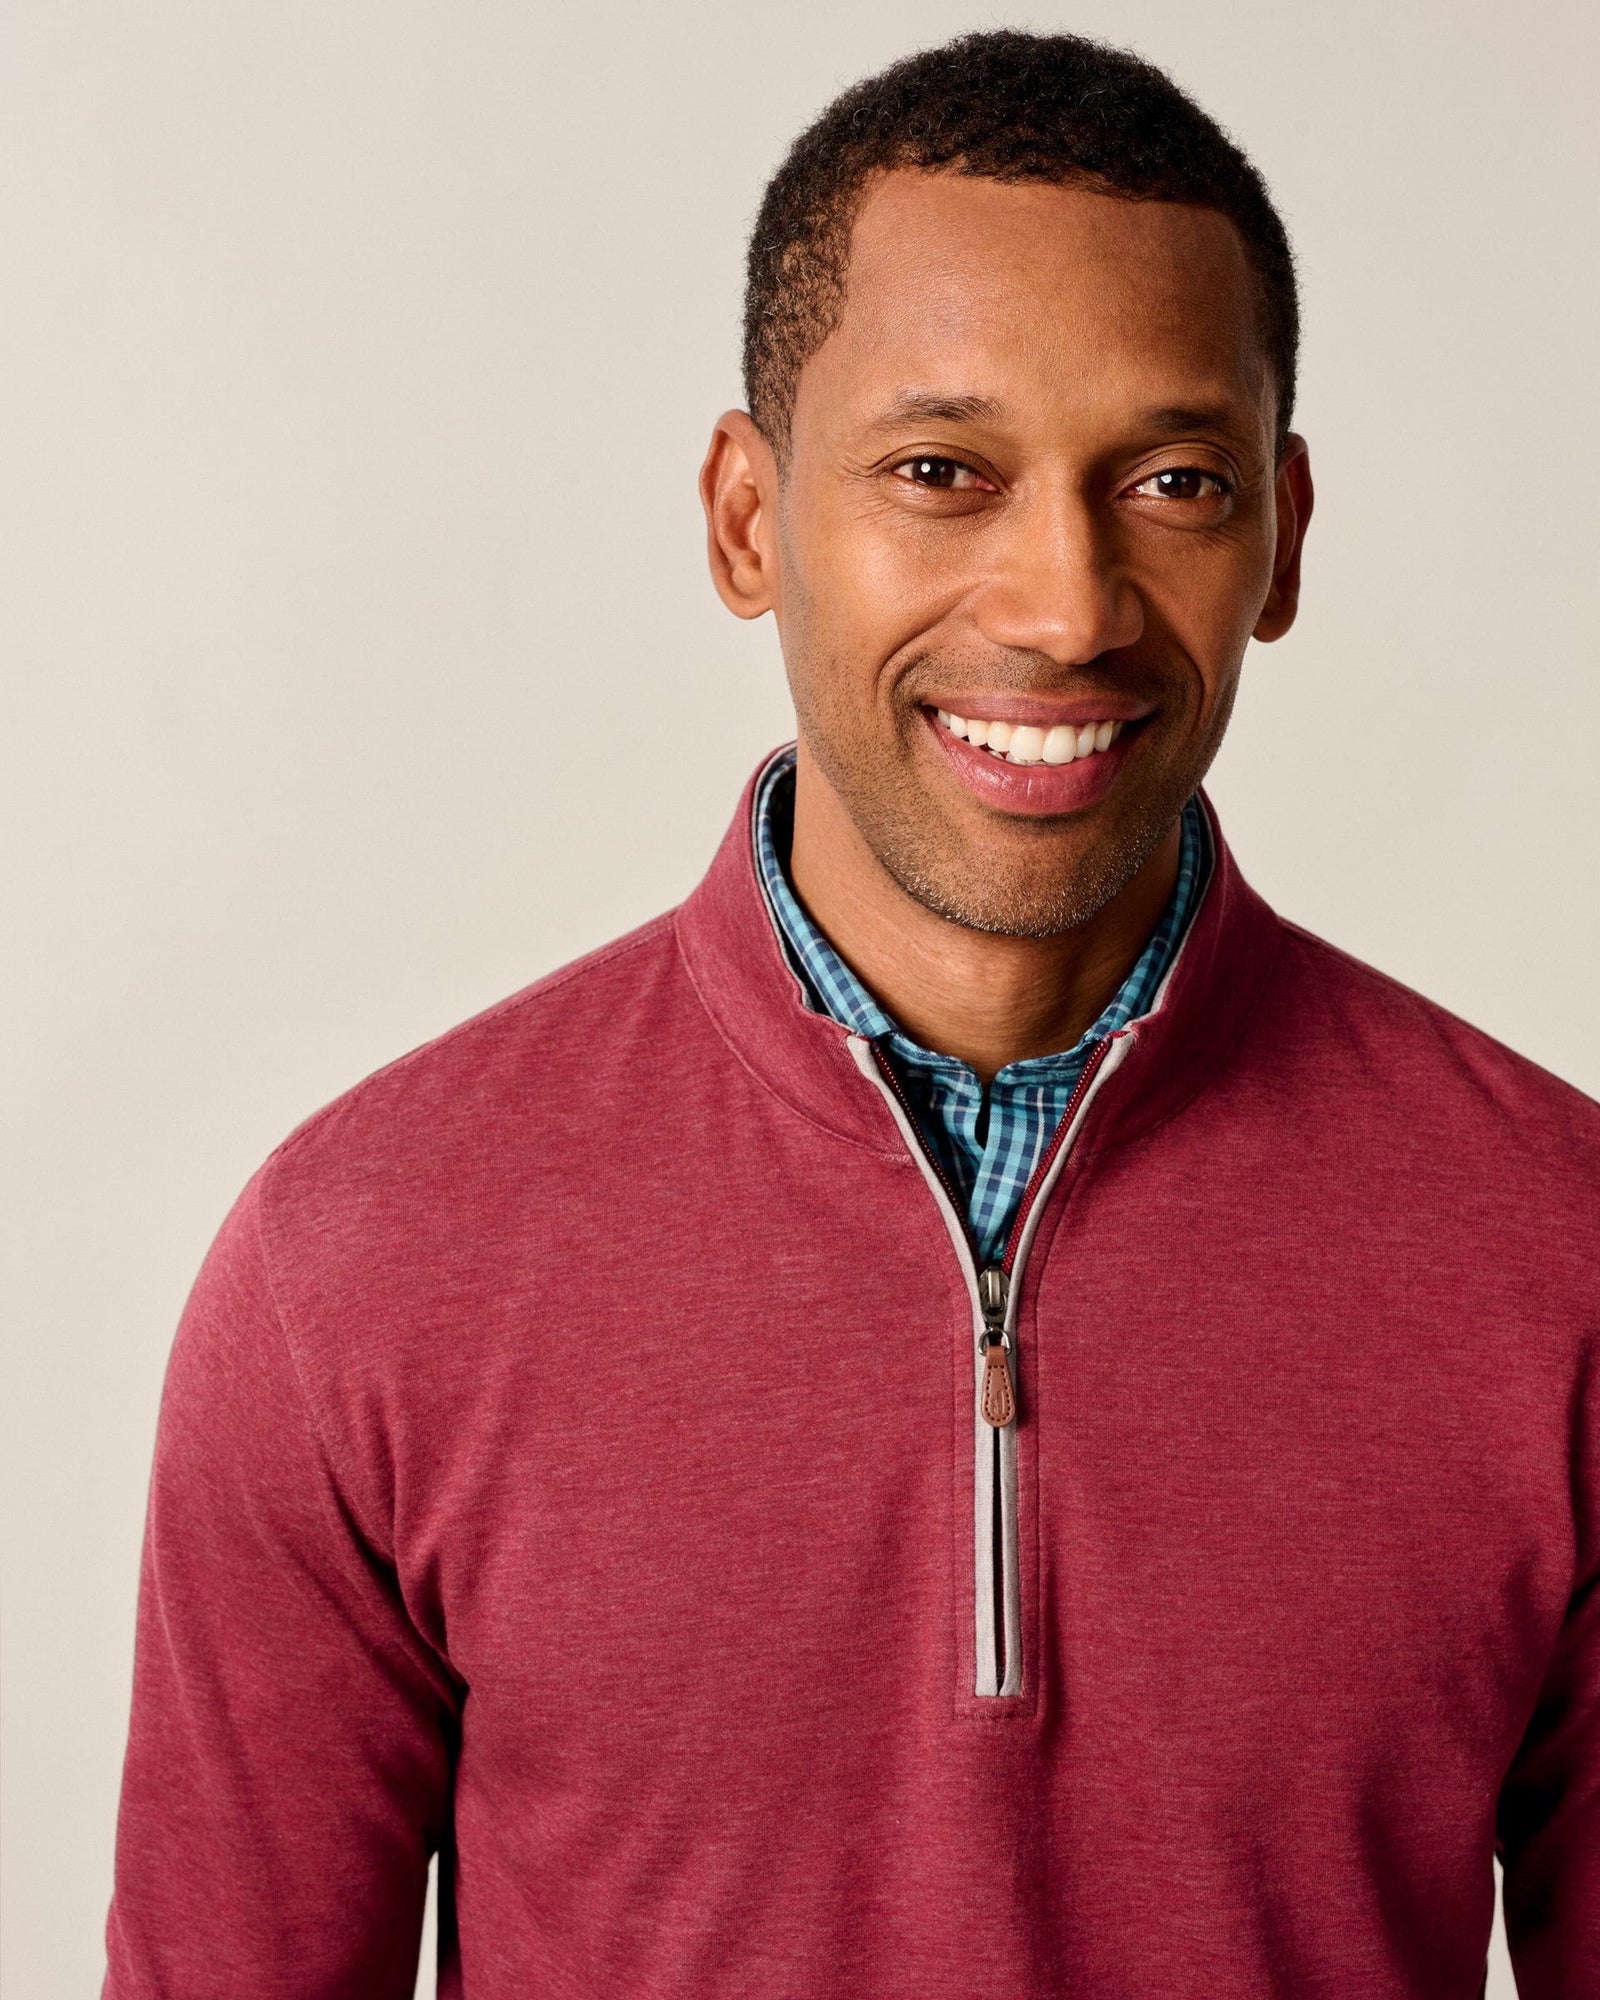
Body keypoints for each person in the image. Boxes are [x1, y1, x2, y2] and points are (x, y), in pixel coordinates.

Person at [103, 30, 1598, 2000]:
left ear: (1282, 536)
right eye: (939, 473)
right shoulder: (358, 1266)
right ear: (748, 519)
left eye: (1171, 480)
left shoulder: (1559, 1254)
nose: (1065, 603)